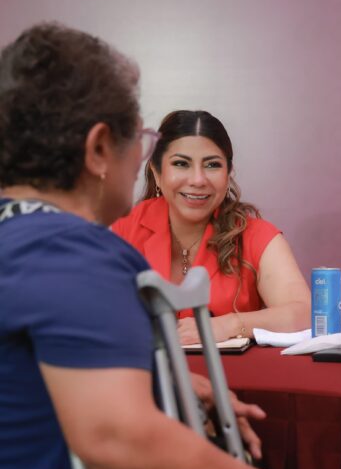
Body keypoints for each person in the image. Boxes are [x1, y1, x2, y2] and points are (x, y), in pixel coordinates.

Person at [0, 23, 287, 469]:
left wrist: (166, 381)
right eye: (144, 142)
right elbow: (117, 438)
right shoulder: (76, 254)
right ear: (99, 149)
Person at [112, 110, 310, 345]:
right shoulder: (121, 229)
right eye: (181, 164)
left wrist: (229, 325)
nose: (198, 180)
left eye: (212, 165)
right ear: (156, 172)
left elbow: (305, 314)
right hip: (143, 377)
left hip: (235, 378)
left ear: (229, 173)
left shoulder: (257, 236)